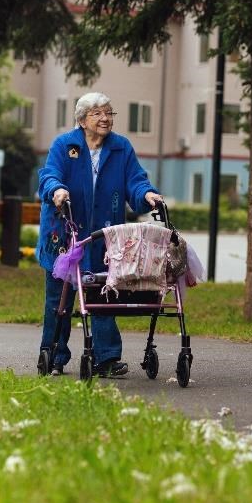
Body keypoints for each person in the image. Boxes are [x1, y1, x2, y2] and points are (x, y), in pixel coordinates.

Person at [36, 91, 163, 377]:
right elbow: (48, 174)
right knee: (59, 300)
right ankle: (54, 355)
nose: (105, 118)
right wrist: (56, 189)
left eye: (109, 112)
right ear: (82, 120)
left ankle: (106, 358)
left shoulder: (121, 147)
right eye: (97, 113)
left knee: (105, 293)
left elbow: (136, 182)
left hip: (104, 235)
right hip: (65, 233)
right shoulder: (64, 144)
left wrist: (148, 195)